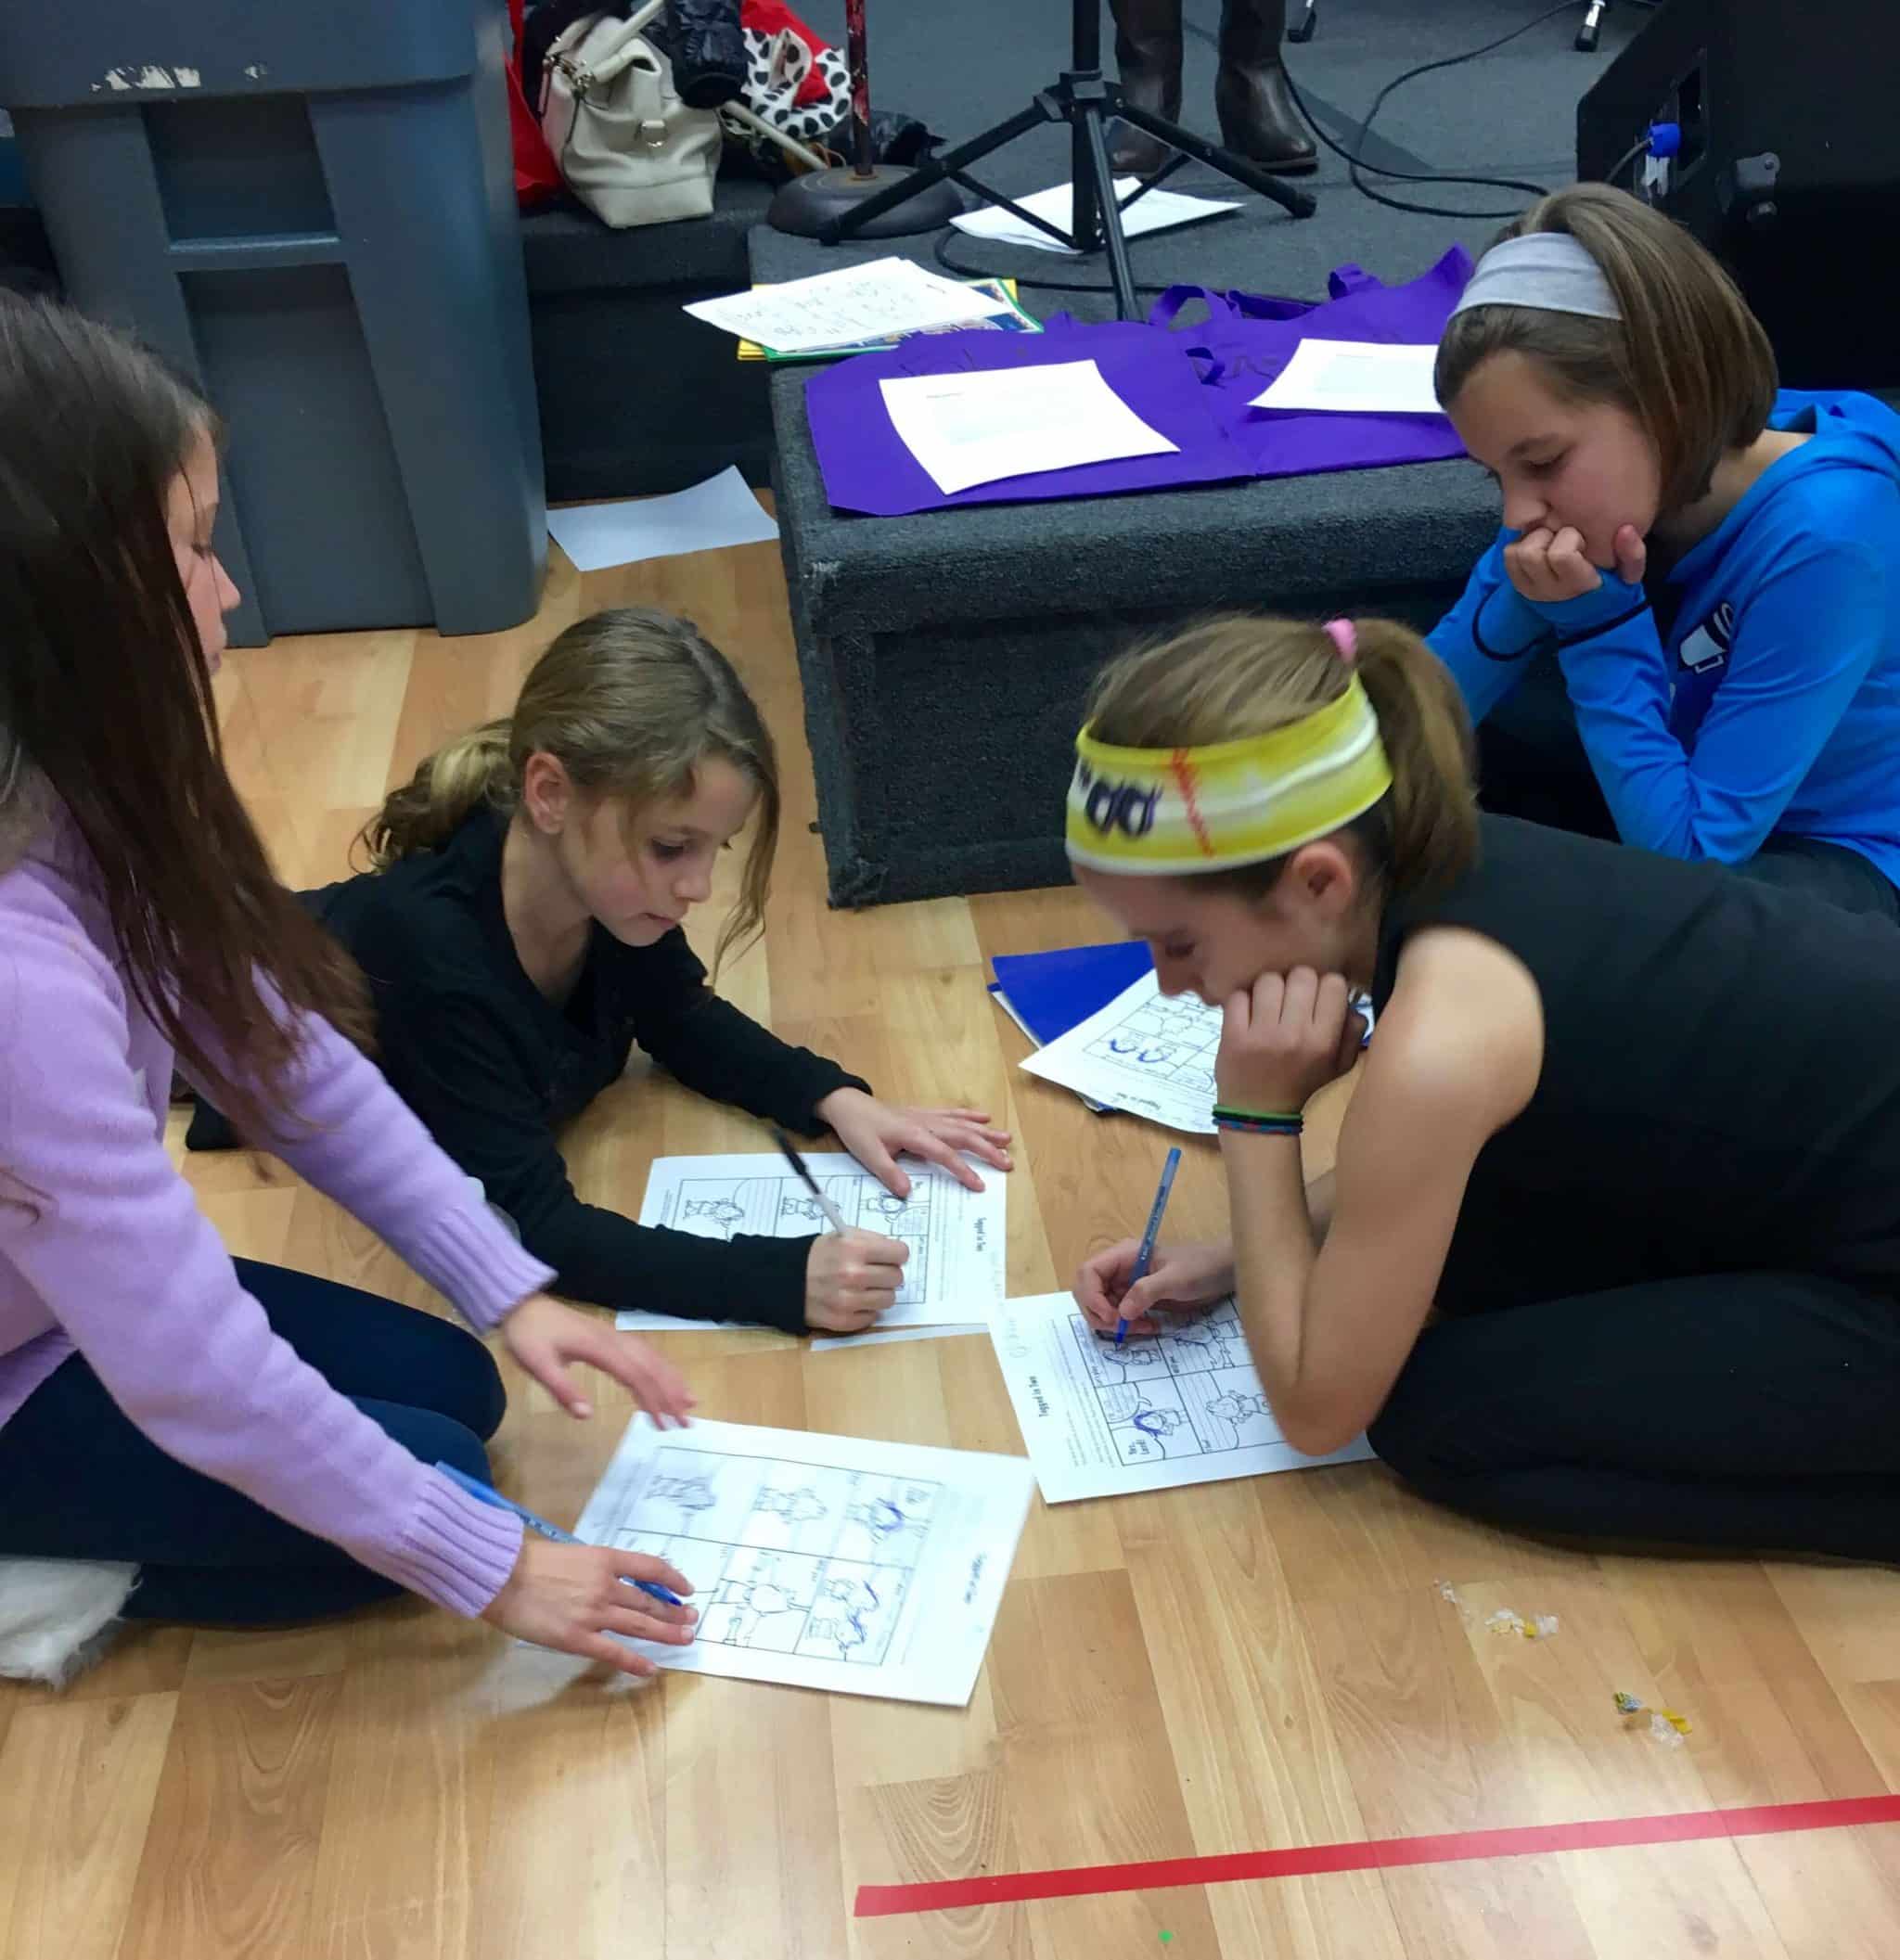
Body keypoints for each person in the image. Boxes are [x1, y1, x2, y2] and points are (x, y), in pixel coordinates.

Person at [0, 300, 699, 1676]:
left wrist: (505, 1285)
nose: (228, 591)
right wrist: (497, 1566)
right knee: (432, 1489)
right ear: (73, 592)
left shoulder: (89, 799)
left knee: (456, 1388)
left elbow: (287, 1059)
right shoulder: (18, 978)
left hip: (46, 1309)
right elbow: (191, 1362)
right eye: (198, 546)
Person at [1069, 612, 1900, 1562]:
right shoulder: (1451, 860)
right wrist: (1232, 1259)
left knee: (1437, 1421)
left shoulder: (1445, 1031)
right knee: (1469, 1250)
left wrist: (1256, 1115)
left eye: (1179, 942)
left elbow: (1315, 1407)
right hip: (1838, 1188)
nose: (1171, 982)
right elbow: (1408, 1168)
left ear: (1317, 883)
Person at [189, 607, 1011, 1337]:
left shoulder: (603, 888)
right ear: (549, 793)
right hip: (197, 996)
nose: (698, 887)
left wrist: (833, 1097)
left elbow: (679, 1018)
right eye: (671, 847)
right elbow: (536, 1228)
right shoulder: (432, 952)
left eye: (713, 849)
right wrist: (775, 1279)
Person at [1429, 183, 1900, 919]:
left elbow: (1691, 860)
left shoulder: (1828, 537)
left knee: (1637, 922)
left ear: (1668, 399)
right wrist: (1521, 602)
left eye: (1542, 462)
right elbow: (1422, 707)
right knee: (1424, 764)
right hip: (1690, 769)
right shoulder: (1621, 476)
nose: (1517, 513)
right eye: (1497, 474)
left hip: (1839, 851)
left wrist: (1597, 628)